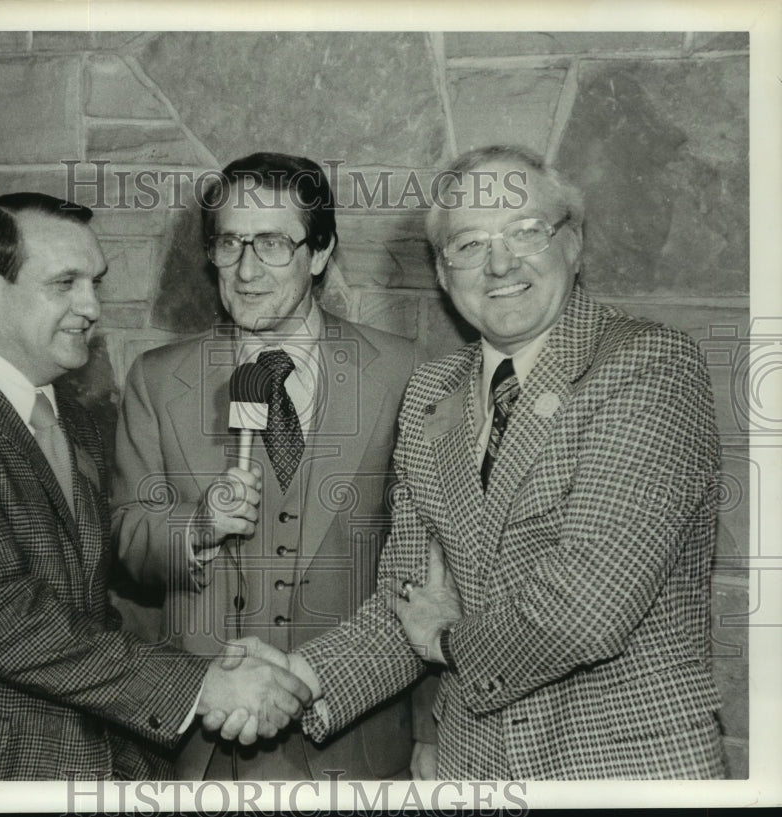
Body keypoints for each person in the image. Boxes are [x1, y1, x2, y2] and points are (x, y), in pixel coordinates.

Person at [243, 145, 727, 778]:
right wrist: (296, 678)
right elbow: (409, 600)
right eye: (469, 244)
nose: (500, 263)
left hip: (624, 769)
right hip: (474, 768)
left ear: (573, 245)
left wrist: (446, 640)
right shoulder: (430, 393)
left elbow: (583, 614)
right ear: (444, 274)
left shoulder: (647, 366)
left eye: (526, 232)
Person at [0, 192, 311, 780]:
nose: (90, 306)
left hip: (75, 761)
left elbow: (82, 604)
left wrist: (206, 669)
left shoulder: (69, 417)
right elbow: (7, 622)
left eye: (96, 283)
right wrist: (203, 684)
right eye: (65, 283)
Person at [112, 153, 420, 779]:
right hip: (205, 746)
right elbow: (127, 541)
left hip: (353, 745)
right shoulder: (157, 379)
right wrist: (195, 527)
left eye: (274, 244)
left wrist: (433, 732)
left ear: (320, 251)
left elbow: (438, 567)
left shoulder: (403, 372)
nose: (247, 271)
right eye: (230, 243)